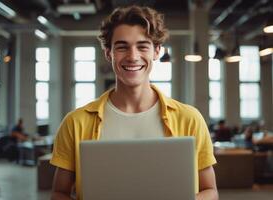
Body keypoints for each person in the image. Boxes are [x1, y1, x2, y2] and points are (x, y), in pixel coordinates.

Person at [50, 5, 218, 200]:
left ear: (156, 51)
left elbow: (210, 191)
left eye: (142, 46)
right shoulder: (75, 122)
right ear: (108, 53)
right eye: (122, 47)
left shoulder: (190, 119)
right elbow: (58, 193)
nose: (132, 56)